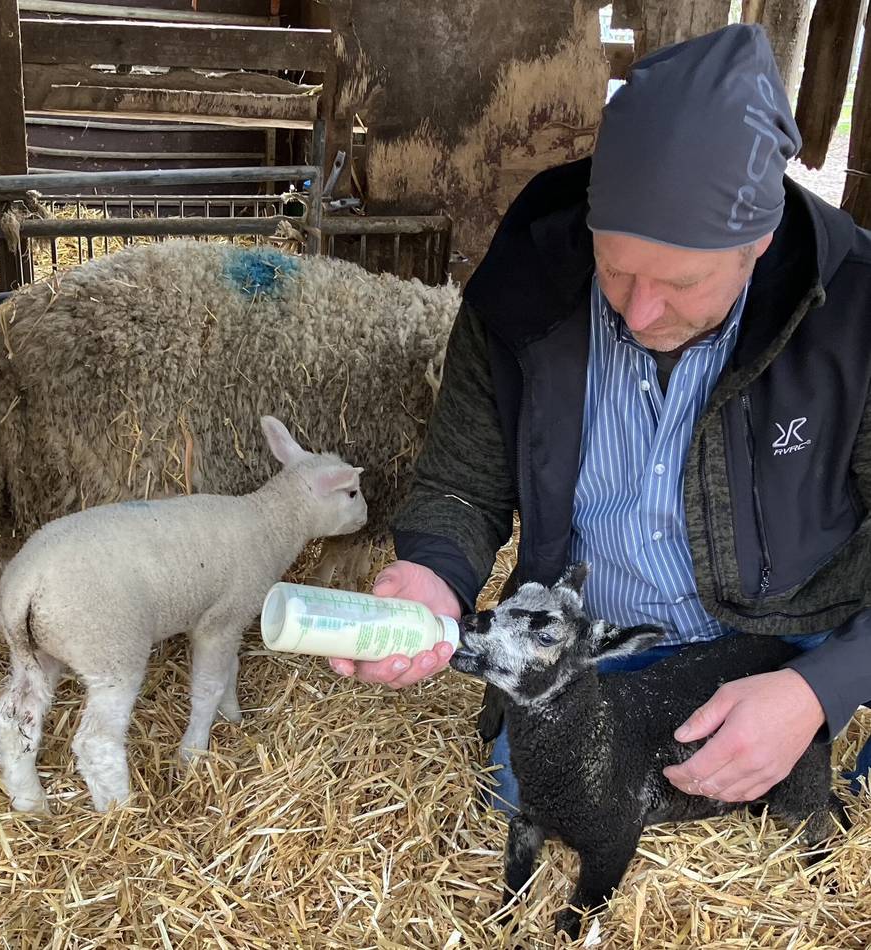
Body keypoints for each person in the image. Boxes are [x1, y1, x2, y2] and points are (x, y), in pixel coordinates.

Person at [330, 24, 871, 811]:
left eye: (680, 283)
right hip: (596, 631)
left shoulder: (855, 313)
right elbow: (460, 484)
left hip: (792, 626)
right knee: (532, 792)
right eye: (616, 270)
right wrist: (430, 576)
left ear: (759, 240)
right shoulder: (526, 281)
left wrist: (816, 689)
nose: (641, 310)